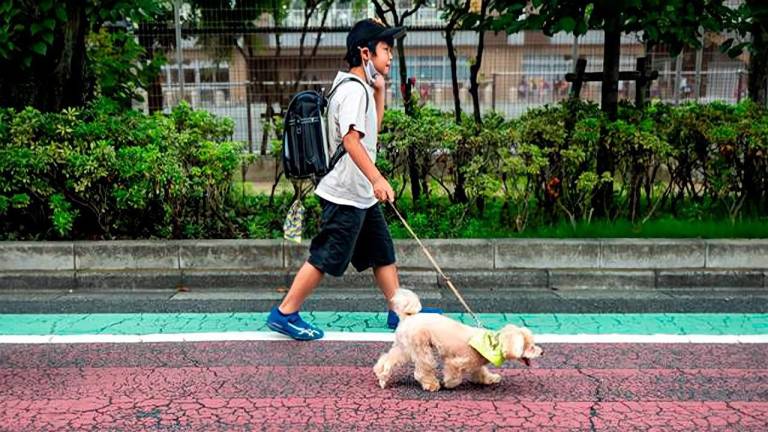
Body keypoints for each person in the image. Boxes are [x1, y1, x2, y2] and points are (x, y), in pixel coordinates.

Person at [266, 18, 441, 341]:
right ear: (365, 53)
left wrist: (380, 92)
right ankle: (285, 312)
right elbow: (351, 141)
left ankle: (398, 313)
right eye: (385, 50)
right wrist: (378, 178)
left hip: (360, 194)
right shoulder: (351, 90)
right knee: (325, 257)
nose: (390, 56)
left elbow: (370, 128)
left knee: (382, 252)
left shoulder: (359, 88)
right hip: (345, 194)